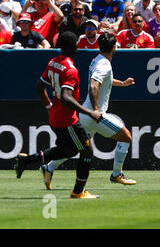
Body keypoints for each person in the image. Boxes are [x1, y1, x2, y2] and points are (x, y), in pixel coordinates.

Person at [41, 32, 137, 189]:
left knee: (72, 149)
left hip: (86, 115)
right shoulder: (104, 64)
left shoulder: (97, 60)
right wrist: (96, 110)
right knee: (126, 137)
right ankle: (116, 174)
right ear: (115, 48)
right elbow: (94, 85)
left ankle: (49, 167)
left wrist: (123, 83)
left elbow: (104, 80)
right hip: (94, 115)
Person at [15, 31, 103, 199]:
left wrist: (49, 106)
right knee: (87, 151)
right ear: (72, 46)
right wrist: (90, 112)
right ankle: (78, 192)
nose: (78, 46)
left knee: (67, 150)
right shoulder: (70, 69)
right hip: (67, 120)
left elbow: (39, 87)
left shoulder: (53, 62)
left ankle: (26, 161)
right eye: (76, 43)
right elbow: (65, 97)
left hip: (55, 117)